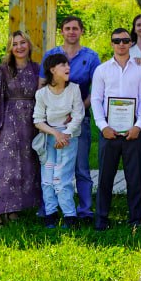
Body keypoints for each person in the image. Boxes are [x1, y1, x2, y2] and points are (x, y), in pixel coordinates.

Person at [92, 27, 141, 230]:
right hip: (109, 130)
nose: (121, 44)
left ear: (131, 43)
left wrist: (138, 126)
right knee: (105, 178)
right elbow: (96, 99)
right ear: (111, 44)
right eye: (117, 41)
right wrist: (103, 126)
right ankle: (101, 220)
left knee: (134, 178)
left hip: (133, 130)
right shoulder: (101, 70)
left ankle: (135, 220)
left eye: (125, 40)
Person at [43, 16, 101, 223]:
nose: (71, 32)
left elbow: (97, 91)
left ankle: (84, 210)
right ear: (61, 31)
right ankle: (50, 209)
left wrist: (77, 111)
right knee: (51, 165)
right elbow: (42, 85)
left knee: (81, 167)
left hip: (79, 119)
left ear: (82, 31)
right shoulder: (51, 55)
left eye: (75, 28)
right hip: (53, 122)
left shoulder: (91, 57)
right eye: (67, 28)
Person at [0, 31, 42, 225]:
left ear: (29, 45)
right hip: (9, 121)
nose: (19, 47)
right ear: (10, 48)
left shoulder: (36, 68)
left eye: (22, 43)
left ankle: (14, 209)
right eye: (15, 44)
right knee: (6, 167)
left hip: (31, 122)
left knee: (26, 167)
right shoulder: (3, 70)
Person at [33, 53, 84, 228]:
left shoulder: (74, 89)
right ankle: (51, 213)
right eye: (63, 65)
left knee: (63, 177)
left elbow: (78, 116)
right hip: (49, 138)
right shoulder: (42, 94)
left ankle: (70, 216)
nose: (68, 68)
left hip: (69, 138)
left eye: (68, 64)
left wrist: (66, 134)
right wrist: (56, 134)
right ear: (52, 70)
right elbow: (37, 120)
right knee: (47, 177)